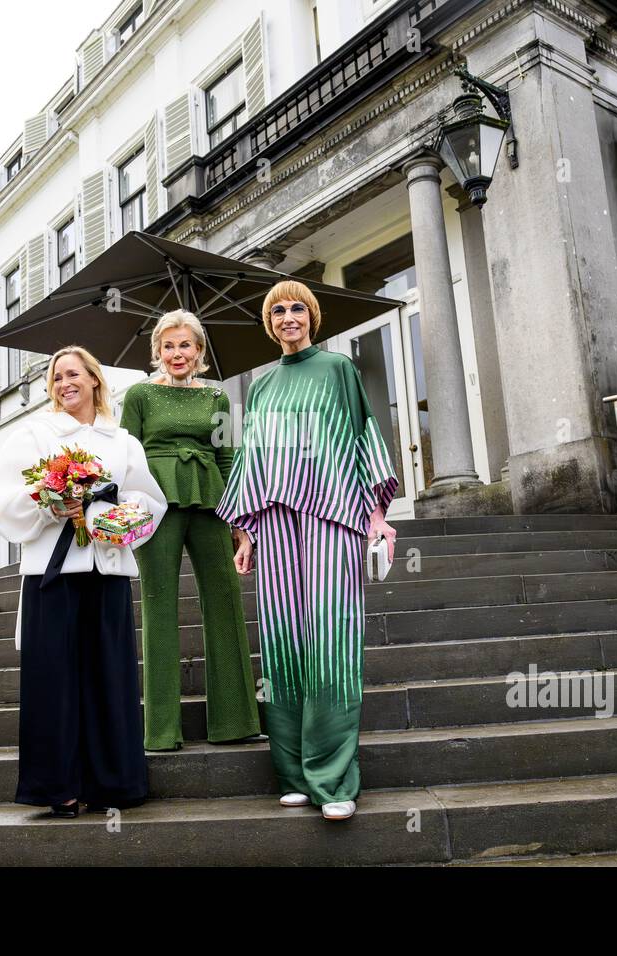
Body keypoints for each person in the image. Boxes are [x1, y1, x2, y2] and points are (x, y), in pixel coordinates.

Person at [215, 279, 398, 821]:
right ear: (268, 323)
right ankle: (293, 773)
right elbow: (251, 457)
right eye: (277, 310)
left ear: (312, 318)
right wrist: (243, 533)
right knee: (282, 642)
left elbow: (362, 434)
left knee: (332, 640)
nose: (288, 316)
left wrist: (378, 514)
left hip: (332, 516)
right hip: (273, 521)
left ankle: (333, 778)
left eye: (297, 308)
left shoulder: (339, 368)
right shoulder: (263, 385)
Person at [0, 345, 167, 817]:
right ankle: (59, 786)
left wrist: (106, 518)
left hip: (107, 571)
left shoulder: (123, 440)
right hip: (54, 575)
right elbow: (4, 499)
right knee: (54, 681)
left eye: (72, 374)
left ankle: (114, 782)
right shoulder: (33, 434)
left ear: (94, 379)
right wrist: (52, 505)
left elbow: (150, 501)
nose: (64, 383)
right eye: (55, 378)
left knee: (110, 677)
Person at [120, 310, 261, 752]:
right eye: (168, 345)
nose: (177, 353)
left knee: (224, 600)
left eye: (186, 345)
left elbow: (228, 458)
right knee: (158, 604)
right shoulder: (139, 395)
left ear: (199, 351)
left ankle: (235, 720)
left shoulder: (218, 400)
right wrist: (127, 512)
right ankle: (162, 730)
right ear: (157, 351)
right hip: (155, 502)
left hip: (211, 500)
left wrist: (241, 523)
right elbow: (127, 456)